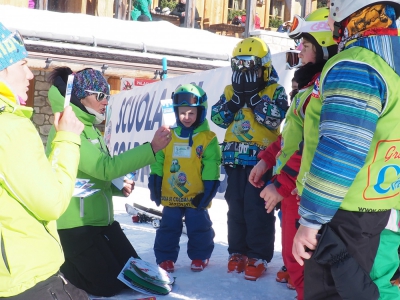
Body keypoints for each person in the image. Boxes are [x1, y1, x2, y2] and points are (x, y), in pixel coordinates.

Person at [292, 1, 400, 299]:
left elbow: (341, 148)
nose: (328, 21)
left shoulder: (356, 64)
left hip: (342, 214)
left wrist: (312, 220)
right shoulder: (392, 60)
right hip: (380, 206)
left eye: (330, 9)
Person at [46, 67, 171, 297]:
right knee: (108, 287)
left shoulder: (90, 128)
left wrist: (116, 187)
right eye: (100, 95)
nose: (106, 101)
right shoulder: (67, 127)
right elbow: (104, 168)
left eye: (107, 95)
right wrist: (151, 148)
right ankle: (59, 268)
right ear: (81, 96)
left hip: (100, 222)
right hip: (75, 226)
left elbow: (90, 176)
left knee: (134, 277)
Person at [248, 8, 338, 299]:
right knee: (294, 262)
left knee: (306, 269)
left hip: (306, 194)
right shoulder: (307, 90)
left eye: (307, 46)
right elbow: (290, 140)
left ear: (326, 50)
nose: (299, 52)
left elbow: (314, 146)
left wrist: (281, 183)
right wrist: (266, 160)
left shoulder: (324, 91)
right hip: (293, 194)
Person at [0, 23, 88, 299]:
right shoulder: (10, 127)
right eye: (22, 64)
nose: (29, 75)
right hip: (28, 278)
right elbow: (51, 202)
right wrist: (67, 139)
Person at [211, 37, 288, 281]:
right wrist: (235, 101)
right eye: (240, 67)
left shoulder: (275, 90)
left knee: (257, 210)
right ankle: (237, 251)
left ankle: (258, 254)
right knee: (235, 209)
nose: (245, 73)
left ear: (263, 67)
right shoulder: (230, 91)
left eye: (251, 67)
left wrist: (254, 98)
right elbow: (218, 118)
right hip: (234, 160)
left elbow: (275, 119)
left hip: (260, 161)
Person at [148, 84, 221, 273]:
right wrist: (155, 180)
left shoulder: (207, 138)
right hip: (171, 195)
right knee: (168, 227)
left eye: (191, 113)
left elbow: (211, 165)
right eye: (182, 113)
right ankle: (165, 258)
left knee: (199, 226)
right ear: (175, 112)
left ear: (200, 112)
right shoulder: (168, 135)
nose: (186, 117)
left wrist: (209, 189)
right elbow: (158, 159)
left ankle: (200, 255)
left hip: (195, 196)